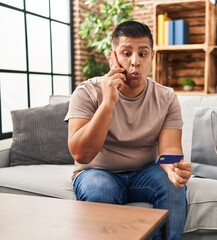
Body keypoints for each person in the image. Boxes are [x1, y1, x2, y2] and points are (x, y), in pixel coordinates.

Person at [65, 20, 192, 240]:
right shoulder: (86, 92)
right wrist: (107, 104)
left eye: (143, 54)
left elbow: (169, 150)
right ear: (112, 58)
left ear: (151, 57)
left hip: (145, 171)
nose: (135, 62)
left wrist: (173, 168)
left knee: (174, 186)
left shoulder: (167, 98)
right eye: (126, 53)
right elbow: (81, 154)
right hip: (97, 171)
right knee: (100, 189)